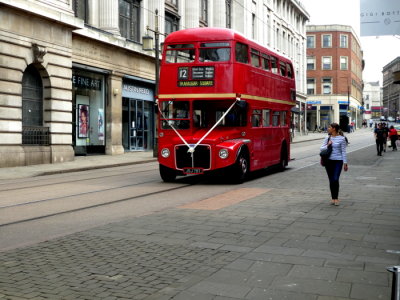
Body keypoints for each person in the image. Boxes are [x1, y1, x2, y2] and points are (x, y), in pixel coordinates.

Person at [320, 123, 348, 206]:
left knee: (336, 179)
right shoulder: (327, 137)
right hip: (328, 161)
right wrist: (328, 145)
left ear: (334, 129)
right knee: (331, 180)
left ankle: (336, 198)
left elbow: (343, 151)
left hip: (338, 161)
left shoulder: (342, 139)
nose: (328, 128)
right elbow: (321, 148)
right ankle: (333, 198)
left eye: (329, 127)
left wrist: (345, 163)